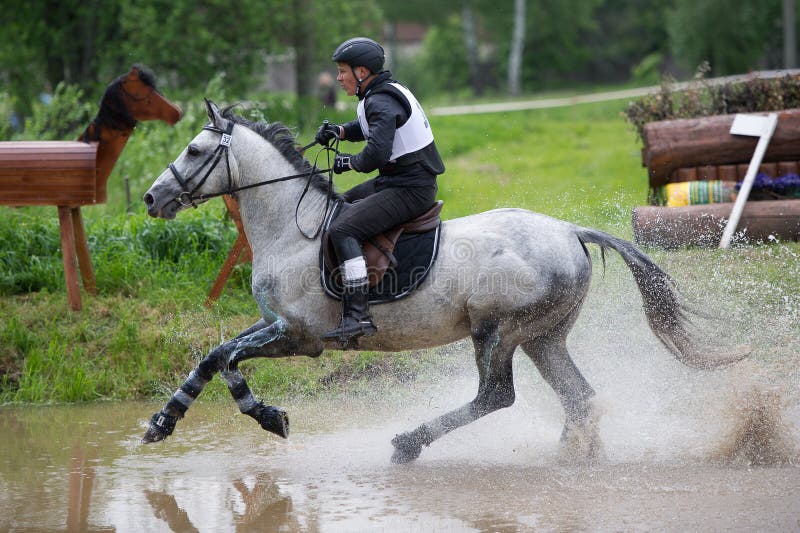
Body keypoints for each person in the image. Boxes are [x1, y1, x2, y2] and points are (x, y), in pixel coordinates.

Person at [316, 37, 445, 345]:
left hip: (410, 188)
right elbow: (369, 125)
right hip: (400, 180)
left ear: (362, 71)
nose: (338, 78)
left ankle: (357, 316)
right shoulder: (379, 93)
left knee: (342, 229)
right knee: (340, 204)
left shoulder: (380, 100)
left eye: (343, 71)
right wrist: (341, 131)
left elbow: (376, 152)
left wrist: (349, 163)